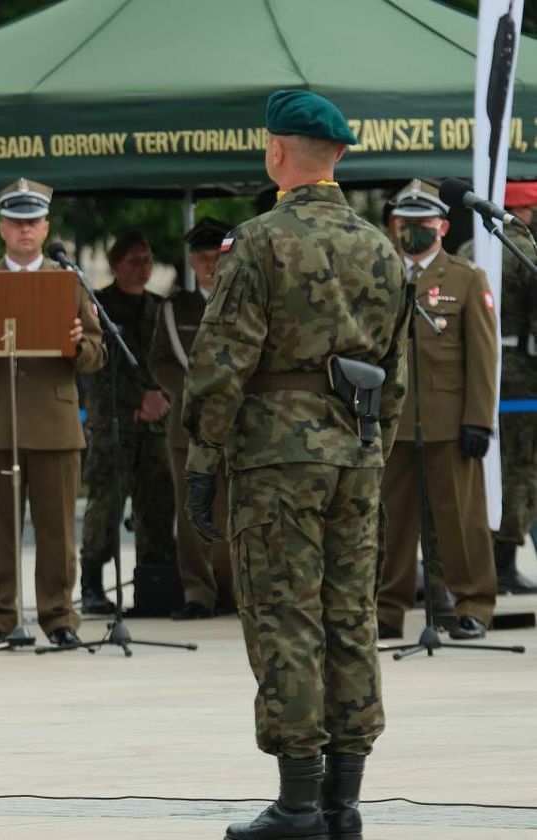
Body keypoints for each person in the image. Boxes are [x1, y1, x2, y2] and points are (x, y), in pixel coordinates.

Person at [182, 90, 409, 840]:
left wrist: (202, 457)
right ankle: (344, 801)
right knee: (350, 618)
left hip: (277, 457)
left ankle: (298, 804)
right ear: (338, 156)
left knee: (285, 616)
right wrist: (371, 442)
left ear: (277, 152)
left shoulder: (257, 241)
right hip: (357, 451)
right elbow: (396, 371)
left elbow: (222, 363)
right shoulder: (381, 247)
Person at [0, 178, 106, 649]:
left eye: (32, 222)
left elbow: (98, 354)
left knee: (58, 533)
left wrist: (79, 345)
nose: (25, 231)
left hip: (54, 423)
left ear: (46, 225)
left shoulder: (68, 281)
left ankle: (59, 618)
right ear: (2, 228)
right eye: (16, 222)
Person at [377, 187, 499, 641]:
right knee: (389, 522)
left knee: (461, 522)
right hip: (392, 422)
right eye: (404, 223)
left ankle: (473, 608)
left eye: (423, 224)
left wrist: (479, 420)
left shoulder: (466, 278)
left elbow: (484, 358)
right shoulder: (381, 278)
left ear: (443, 228)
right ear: (393, 227)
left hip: (450, 421)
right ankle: (387, 610)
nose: (412, 231)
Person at [78, 231, 178, 616]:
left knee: (157, 504)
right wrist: (139, 399)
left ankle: (153, 585)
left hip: (156, 425)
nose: (143, 269)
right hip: (113, 423)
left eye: (148, 261)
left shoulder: (160, 307)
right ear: (116, 264)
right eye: (134, 261)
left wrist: (163, 397)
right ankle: (91, 583)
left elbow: (173, 359)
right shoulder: (98, 307)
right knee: (105, 503)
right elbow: (99, 367)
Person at [147, 217, 234, 620]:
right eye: (202, 257)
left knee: (236, 509)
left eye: (216, 257)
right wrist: (188, 389)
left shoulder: (245, 297)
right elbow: (160, 360)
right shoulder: (175, 307)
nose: (210, 265)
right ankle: (199, 593)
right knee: (193, 509)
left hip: (238, 423)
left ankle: (236, 590)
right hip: (190, 424)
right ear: (191, 260)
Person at [458, 180, 537, 595]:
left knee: (483, 467)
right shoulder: (524, 250)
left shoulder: (471, 252)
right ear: (525, 210)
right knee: (522, 467)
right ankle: (503, 563)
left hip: (477, 370)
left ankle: (482, 557)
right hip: (522, 373)